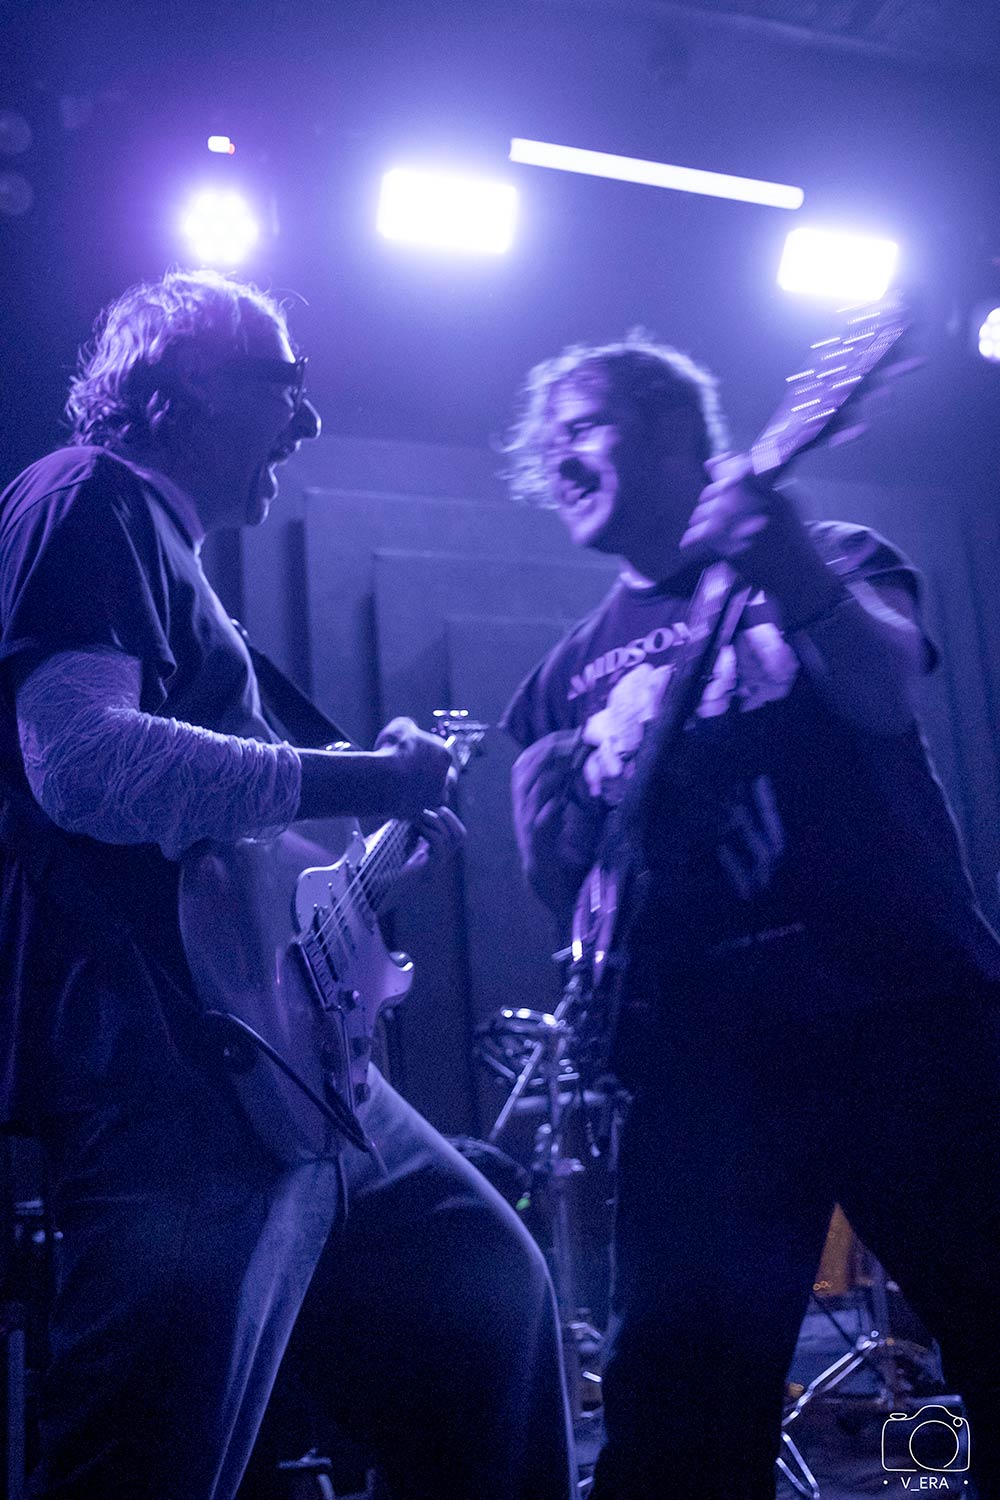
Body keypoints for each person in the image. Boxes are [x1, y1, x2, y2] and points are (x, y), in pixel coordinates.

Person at [0, 269, 574, 1500]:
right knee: (147, 1462)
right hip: (168, 1067)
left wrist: (380, 845)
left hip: (288, 1076)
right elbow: (83, 766)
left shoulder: (181, 570)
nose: (308, 420)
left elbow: (250, 861)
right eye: (286, 384)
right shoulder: (89, 495)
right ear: (176, 390)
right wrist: (372, 776)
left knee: (487, 1298)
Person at [502, 334, 1000, 1498]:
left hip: (905, 1016)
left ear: (679, 433)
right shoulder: (563, 676)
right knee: (677, 1417)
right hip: (702, 1066)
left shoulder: (834, 554)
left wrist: (786, 560)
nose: (560, 457)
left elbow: (884, 693)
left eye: (587, 425)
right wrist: (557, 828)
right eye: (548, 441)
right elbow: (577, 902)